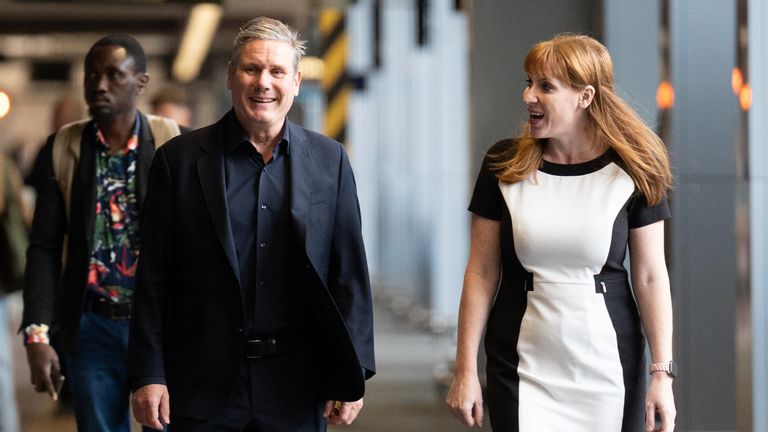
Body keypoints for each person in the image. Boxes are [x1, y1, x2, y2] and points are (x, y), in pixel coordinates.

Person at [127, 16, 375, 432]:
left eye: (277, 71)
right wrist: (148, 373)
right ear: (231, 76)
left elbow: (348, 272)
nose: (264, 82)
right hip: (199, 382)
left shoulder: (329, 161)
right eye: (251, 69)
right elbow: (154, 277)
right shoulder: (179, 161)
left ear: (296, 82)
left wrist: (353, 372)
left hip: (298, 383)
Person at [446, 34, 676, 432]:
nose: (529, 96)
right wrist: (465, 370)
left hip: (608, 363)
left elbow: (651, 275)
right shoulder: (503, 165)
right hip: (521, 362)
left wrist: (661, 374)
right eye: (528, 83)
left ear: (584, 97)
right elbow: (481, 272)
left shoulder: (635, 169)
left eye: (545, 87)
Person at [20, 34, 182, 431]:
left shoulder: (172, 143)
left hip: (160, 326)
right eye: (92, 73)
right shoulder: (63, 147)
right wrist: (37, 333)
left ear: (140, 82)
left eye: (113, 74)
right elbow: (43, 247)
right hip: (91, 324)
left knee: (166, 425)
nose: (99, 85)